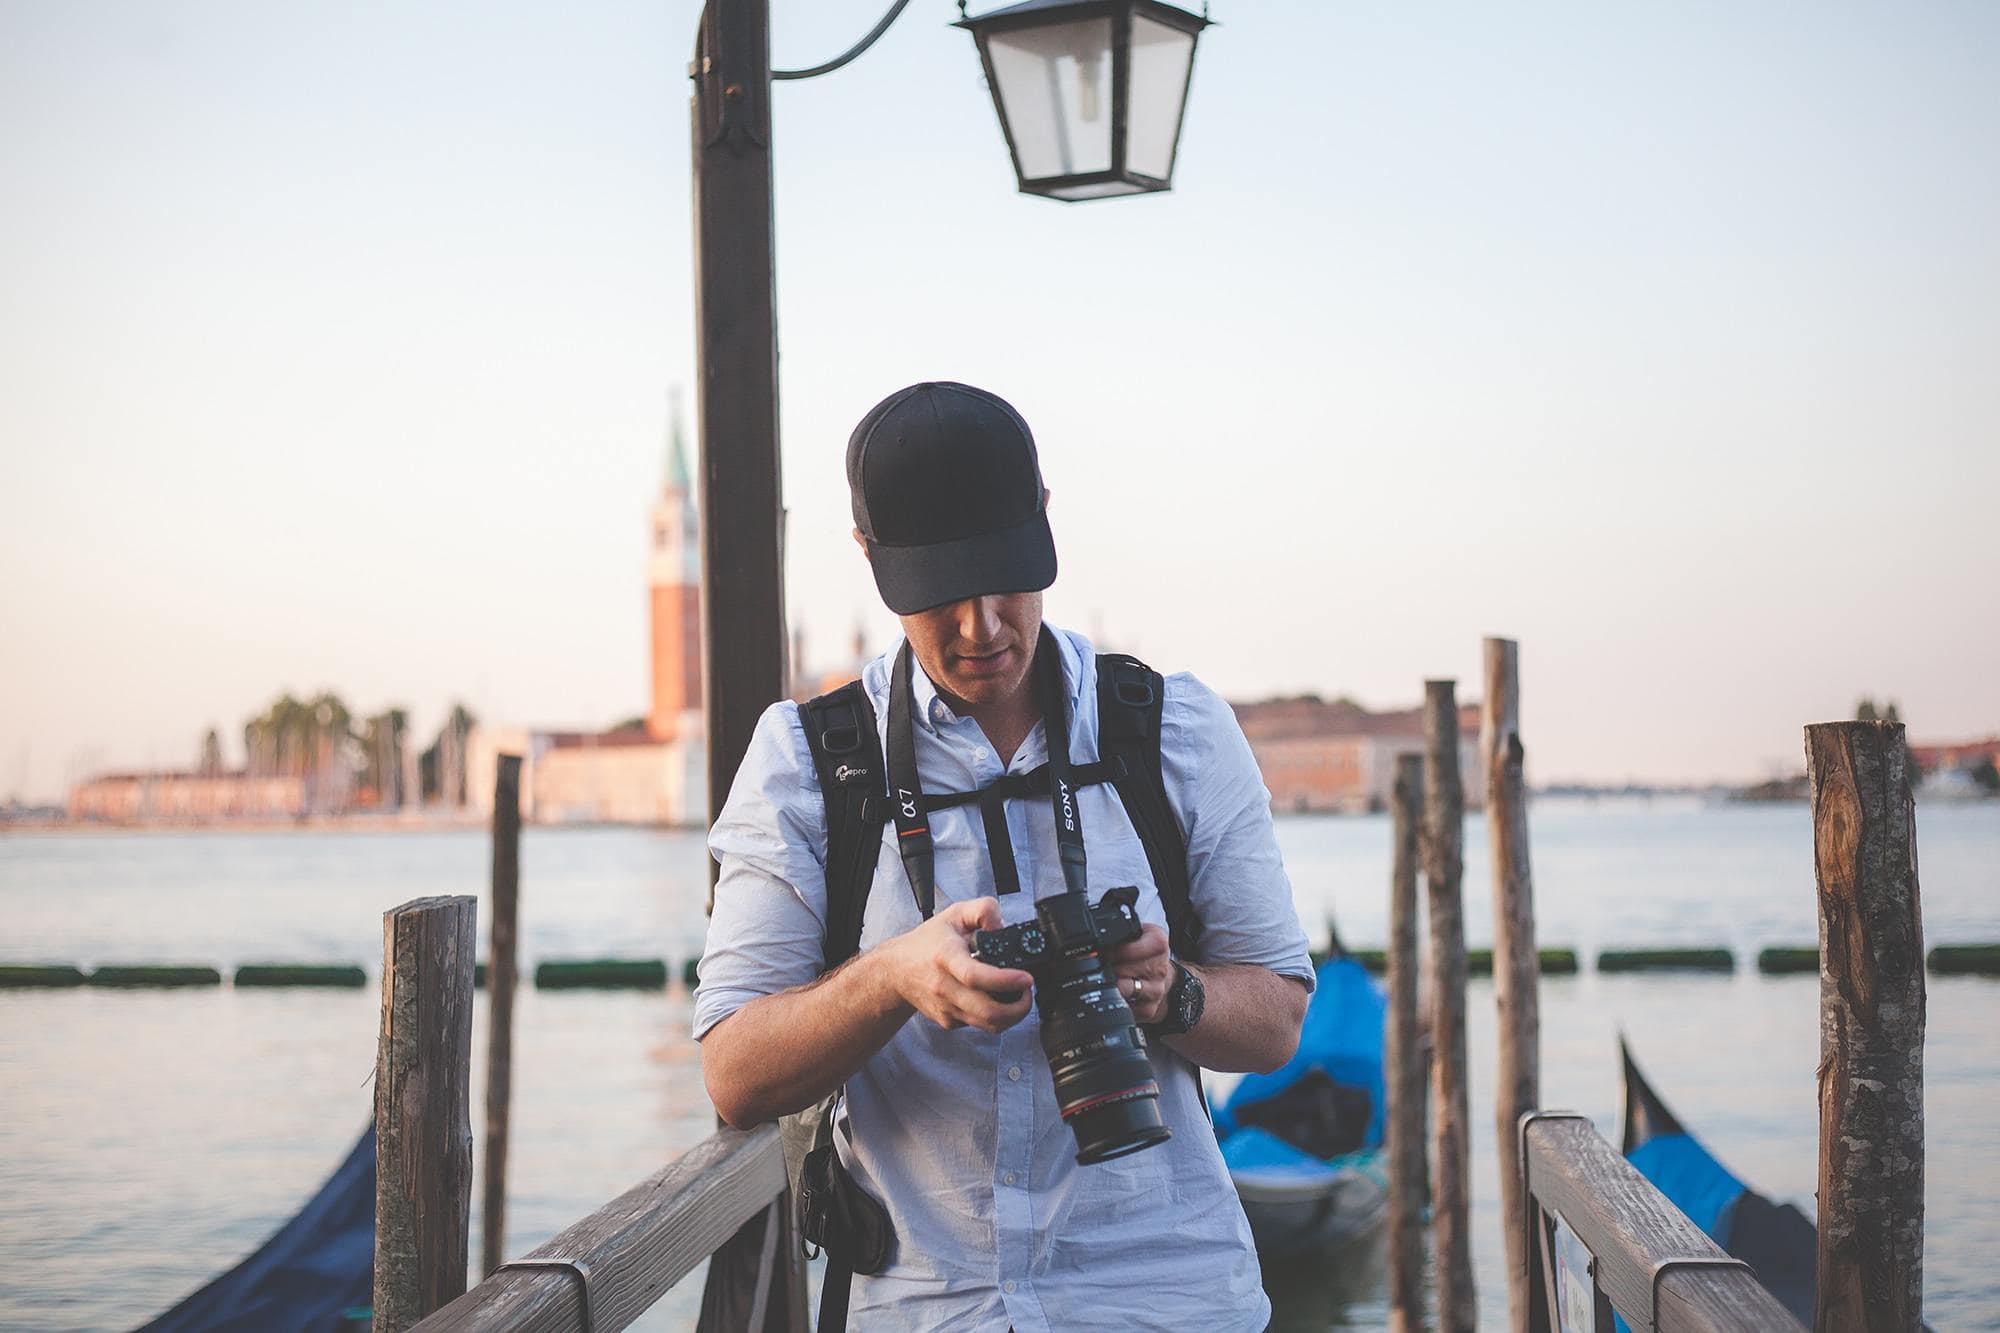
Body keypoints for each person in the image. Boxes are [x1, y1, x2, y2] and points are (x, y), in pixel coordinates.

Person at [694, 381, 1313, 1331]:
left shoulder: (1173, 729)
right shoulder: (811, 761)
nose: (981, 627)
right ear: (869, 557)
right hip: (920, 1301)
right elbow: (736, 1073)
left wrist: (1168, 991)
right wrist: (893, 978)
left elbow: (1274, 1024)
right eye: (939, 593)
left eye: (1005, 578)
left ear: (1046, 525)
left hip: (1167, 1295)